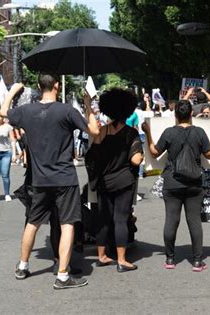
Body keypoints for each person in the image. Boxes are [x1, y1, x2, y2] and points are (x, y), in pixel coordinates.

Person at [1, 74, 99, 290]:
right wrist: (88, 106)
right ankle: (63, 275)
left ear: (38, 86)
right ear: (56, 85)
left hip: (39, 179)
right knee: (67, 225)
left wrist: (13, 91)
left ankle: (23, 266)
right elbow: (94, 131)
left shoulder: (27, 112)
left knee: (32, 223)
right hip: (64, 177)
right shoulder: (66, 111)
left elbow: (2, 112)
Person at [142, 100, 210, 272]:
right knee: (194, 221)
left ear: (175, 115)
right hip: (194, 183)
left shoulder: (169, 133)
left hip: (172, 182)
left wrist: (148, 132)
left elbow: (155, 153)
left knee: (171, 219)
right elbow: (209, 154)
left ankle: (170, 259)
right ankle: (198, 261)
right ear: (191, 114)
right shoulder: (199, 132)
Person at [86, 88, 143, 273]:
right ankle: (121, 260)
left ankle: (102, 256)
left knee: (103, 219)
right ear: (128, 110)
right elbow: (136, 160)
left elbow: (92, 155)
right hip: (124, 182)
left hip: (103, 182)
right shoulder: (131, 133)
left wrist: (87, 105)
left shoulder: (102, 131)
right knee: (120, 219)